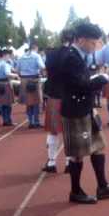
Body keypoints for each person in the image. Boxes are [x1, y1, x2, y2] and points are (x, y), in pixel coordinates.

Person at [60, 22, 109, 204]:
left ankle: (102, 186)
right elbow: (80, 85)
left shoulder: (79, 56)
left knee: (99, 146)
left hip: (86, 108)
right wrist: (105, 78)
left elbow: (84, 80)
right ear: (81, 40)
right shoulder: (70, 58)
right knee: (78, 153)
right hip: (76, 110)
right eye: (93, 42)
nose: (95, 46)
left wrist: (99, 76)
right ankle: (75, 191)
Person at [42, 30, 74, 174]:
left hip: (54, 96)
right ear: (74, 40)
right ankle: (69, 162)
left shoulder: (51, 54)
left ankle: (51, 162)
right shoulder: (74, 54)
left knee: (53, 131)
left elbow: (48, 73)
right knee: (70, 131)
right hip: (70, 97)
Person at [17, 43, 46, 128]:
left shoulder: (21, 57)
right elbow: (42, 67)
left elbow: (17, 70)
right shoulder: (36, 56)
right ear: (35, 48)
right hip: (34, 80)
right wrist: (42, 73)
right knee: (36, 102)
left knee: (28, 103)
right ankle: (36, 122)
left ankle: (30, 121)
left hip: (24, 80)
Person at [0, 50, 19, 126]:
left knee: (3, 104)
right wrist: (16, 76)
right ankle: (8, 120)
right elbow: (7, 74)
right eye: (8, 55)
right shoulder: (4, 64)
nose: (9, 57)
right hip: (5, 83)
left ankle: (5, 120)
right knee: (8, 104)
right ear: (5, 55)